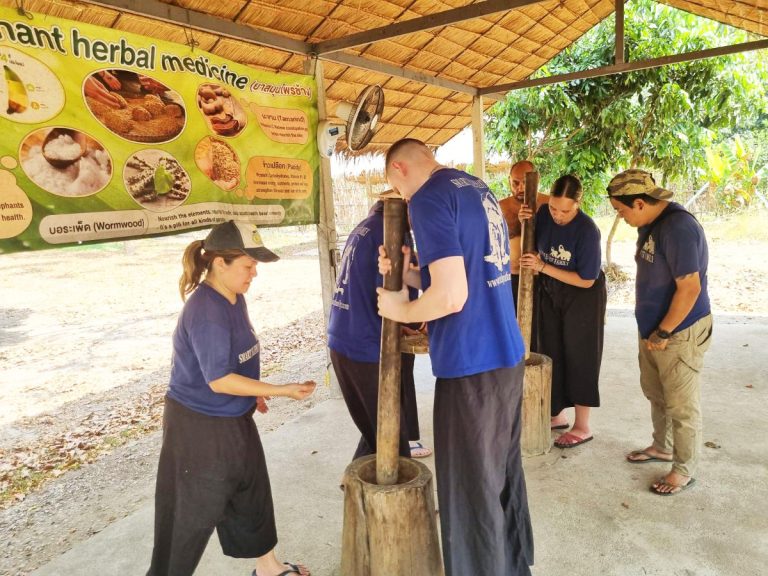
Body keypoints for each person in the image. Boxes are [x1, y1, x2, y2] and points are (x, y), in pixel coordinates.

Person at [378, 139, 533, 576]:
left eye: (395, 186)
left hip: (470, 365)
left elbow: (450, 296)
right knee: (500, 478)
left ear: (400, 170)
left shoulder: (427, 199)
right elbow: (470, 271)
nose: (402, 199)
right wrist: (409, 272)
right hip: (505, 356)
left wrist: (400, 309)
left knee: (468, 494)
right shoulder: (476, 188)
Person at [147, 220, 316, 576]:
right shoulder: (206, 311)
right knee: (188, 517)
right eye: (248, 266)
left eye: (255, 266)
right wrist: (280, 390)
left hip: (233, 417)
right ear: (219, 263)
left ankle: (268, 567)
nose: (254, 274)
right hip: (198, 426)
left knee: (251, 489)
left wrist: (252, 394)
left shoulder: (233, 296)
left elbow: (236, 358)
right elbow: (219, 379)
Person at [607, 169, 713, 496]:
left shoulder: (679, 228)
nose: (621, 217)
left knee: (681, 404)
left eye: (621, 210)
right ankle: (662, 446)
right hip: (655, 329)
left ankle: (684, 469)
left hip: (678, 331)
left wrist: (664, 331)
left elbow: (690, 288)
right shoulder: (652, 223)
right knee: (657, 393)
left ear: (639, 202)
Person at [327, 190, 431, 462]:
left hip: (342, 338)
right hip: (366, 345)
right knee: (392, 443)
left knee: (376, 423)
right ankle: (399, 502)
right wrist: (419, 320)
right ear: (407, 207)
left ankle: (355, 473)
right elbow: (400, 297)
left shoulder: (364, 226)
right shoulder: (394, 232)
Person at [518, 175, 606, 447]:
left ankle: (582, 426)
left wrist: (543, 267)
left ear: (578, 203)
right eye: (554, 208)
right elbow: (533, 242)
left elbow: (587, 279)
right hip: (552, 291)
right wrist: (525, 222)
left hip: (583, 297)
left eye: (565, 210)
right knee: (551, 351)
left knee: (580, 356)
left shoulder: (587, 230)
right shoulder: (544, 214)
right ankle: (556, 414)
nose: (558, 215)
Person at [499, 160, 549, 310]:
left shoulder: (549, 205)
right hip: (510, 279)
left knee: (540, 331)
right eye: (515, 183)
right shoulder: (500, 207)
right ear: (509, 180)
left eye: (525, 182)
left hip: (541, 278)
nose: (520, 188)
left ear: (537, 179)